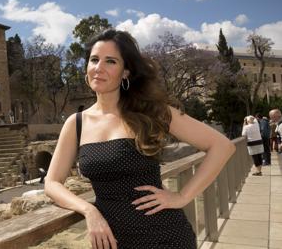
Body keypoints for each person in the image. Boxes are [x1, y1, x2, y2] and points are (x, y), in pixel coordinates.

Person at [44, 29, 235, 249]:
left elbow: (222, 146)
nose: (99, 68)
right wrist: (89, 210)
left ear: (125, 72)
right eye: (94, 60)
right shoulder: (75, 123)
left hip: (166, 238)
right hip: (113, 242)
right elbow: (51, 183)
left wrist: (182, 196)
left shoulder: (153, 112)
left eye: (111, 61)